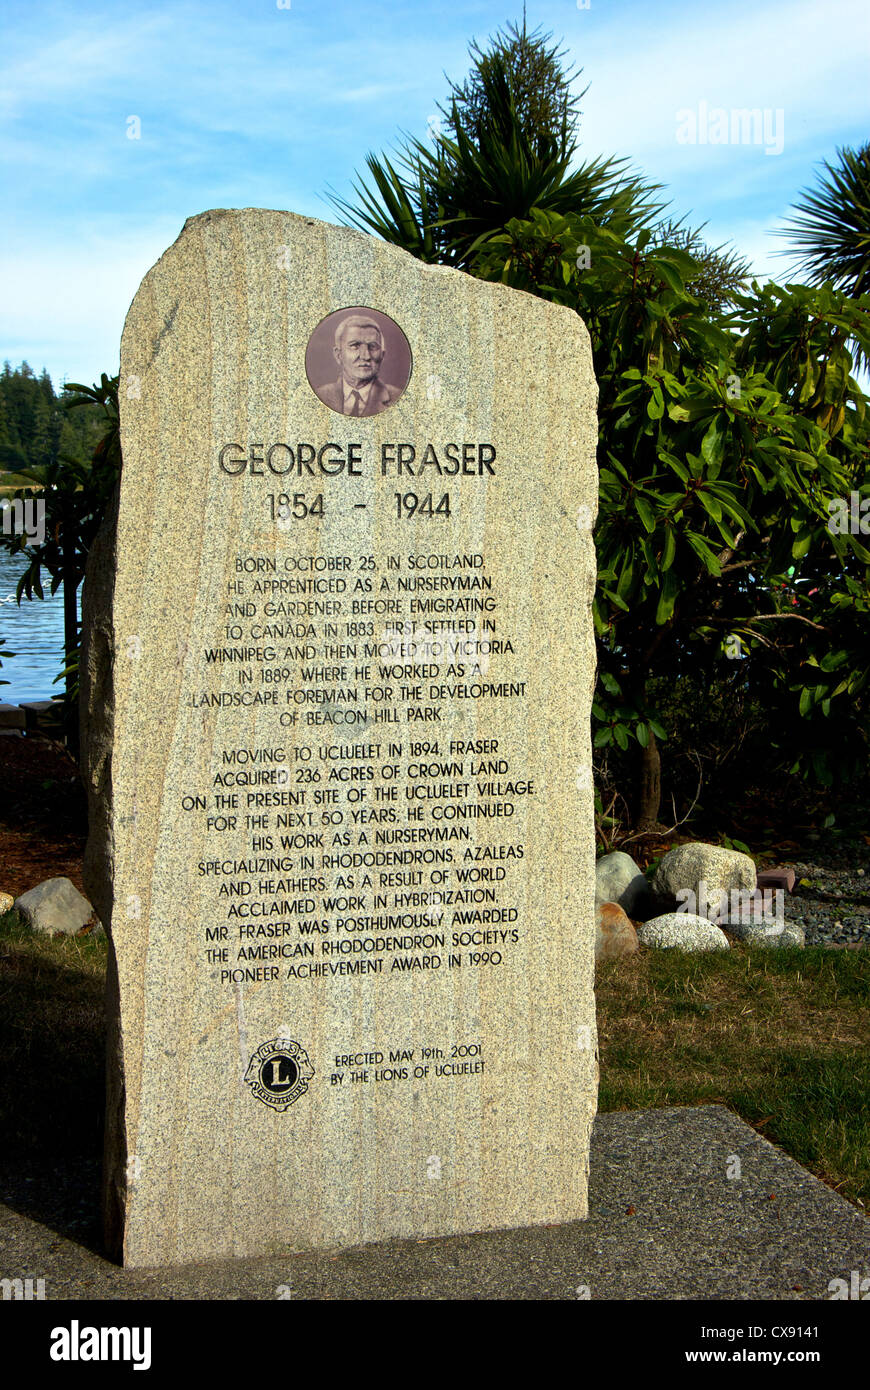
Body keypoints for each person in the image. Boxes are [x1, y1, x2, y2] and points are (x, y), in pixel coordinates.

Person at [315, 315, 402, 416]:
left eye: (373, 346)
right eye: (355, 346)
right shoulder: (320, 395)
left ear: (382, 355)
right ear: (338, 355)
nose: (365, 356)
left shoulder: (398, 397)